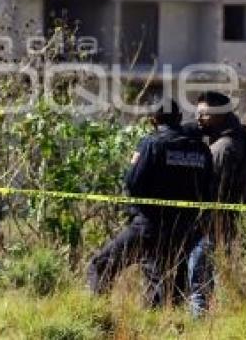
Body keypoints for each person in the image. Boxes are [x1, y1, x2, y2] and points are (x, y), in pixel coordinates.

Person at [87, 100, 215, 315]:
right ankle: (159, 324)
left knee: (101, 264)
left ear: (153, 120)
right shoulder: (201, 149)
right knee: (161, 280)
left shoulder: (152, 143)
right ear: (179, 118)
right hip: (184, 228)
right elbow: (209, 187)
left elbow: (133, 181)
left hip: (149, 225)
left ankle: (96, 316)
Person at [195, 91, 246, 245]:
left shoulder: (222, 147)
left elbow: (211, 189)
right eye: (198, 113)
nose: (199, 119)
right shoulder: (245, 141)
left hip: (216, 226)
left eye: (205, 114)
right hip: (239, 222)